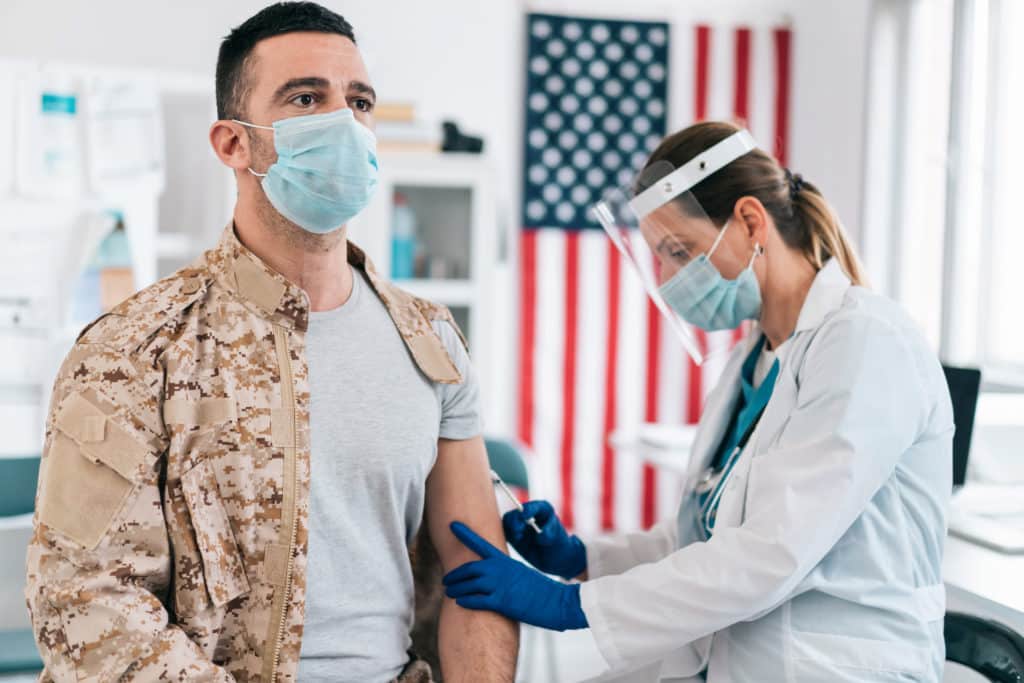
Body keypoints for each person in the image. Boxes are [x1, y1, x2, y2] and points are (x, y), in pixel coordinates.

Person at [25, 3, 518, 682]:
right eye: (307, 98)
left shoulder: (431, 342)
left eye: (360, 101)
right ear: (233, 143)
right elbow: (87, 603)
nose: (344, 123)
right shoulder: (134, 348)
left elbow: (478, 577)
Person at [443, 121, 953, 682]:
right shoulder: (753, 362)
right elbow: (701, 537)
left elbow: (770, 552)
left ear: (751, 222)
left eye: (679, 251)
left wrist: (574, 606)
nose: (665, 279)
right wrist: (583, 557)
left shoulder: (864, 341)